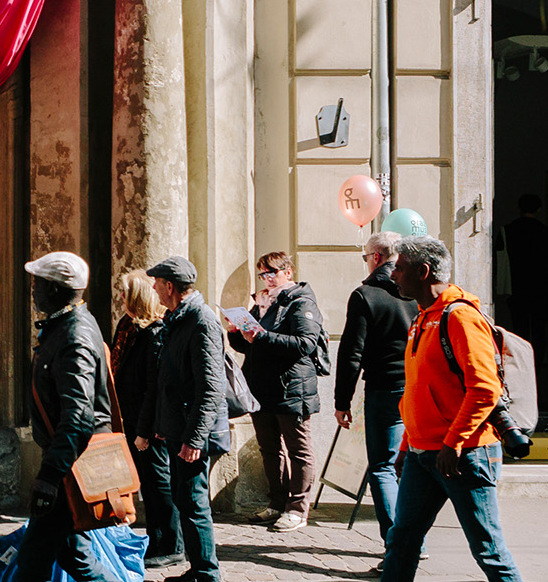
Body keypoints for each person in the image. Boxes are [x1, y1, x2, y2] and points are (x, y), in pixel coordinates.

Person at [381, 235, 523, 582]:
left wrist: (453, 442)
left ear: (423, 271)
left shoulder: (459, 317)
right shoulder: (421, 318)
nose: (393, 275)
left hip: (465, 454)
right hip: (423, 453)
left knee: (488, 550)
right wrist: (406, 446)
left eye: (399, 268)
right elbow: (417, 391)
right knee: (402, 541)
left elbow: (484, 389)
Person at [19, 251, 114, 582]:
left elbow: (77, 416)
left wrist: (49, 476)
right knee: (74, 555)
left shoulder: (74, 336)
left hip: (69, 467)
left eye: (38, 284)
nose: (32, 290)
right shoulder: (63, 326)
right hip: (64, 462)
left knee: (34, 558)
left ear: (56, 289)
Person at [228, 250, 327, 532]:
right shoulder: (261, 302)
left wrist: (263, 335)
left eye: (272, 272)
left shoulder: (300, 300)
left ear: (288, 272)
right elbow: (248, 346)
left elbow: (305, 343)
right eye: (263, 273)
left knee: (298, 448)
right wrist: (237, 333)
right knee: (269, 448)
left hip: (292, 386)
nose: (267, 278)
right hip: (261, 386)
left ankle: (297, 508)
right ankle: (276, 502)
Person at [146, 255, 228, 582]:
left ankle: (208, 575)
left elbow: (210, 386)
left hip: (195, 432)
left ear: (170, 286)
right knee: (185, 500)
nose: (153, 288)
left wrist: (194, 439)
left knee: (194, 504)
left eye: (157, 283)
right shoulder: (178, 317)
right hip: (179, 426)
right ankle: (198, 570)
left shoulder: (201, 321)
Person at [334, 232, 417, 542]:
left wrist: (342, 401)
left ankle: (398, 543)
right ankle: (410, 539)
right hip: (417, 388)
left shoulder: (365, 295)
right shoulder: (416, 291)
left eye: (367, 257)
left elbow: (351, 353)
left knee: (382, 467)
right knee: (411, 467)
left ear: (377, 258)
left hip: (384, 388)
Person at [115, 269, 183, 570]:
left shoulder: (154, 333)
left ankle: (171, 544)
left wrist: (144, 430)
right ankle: (155, 540)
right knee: (148, 485)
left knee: (159, 484)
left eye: (124, 292)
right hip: (130, 418)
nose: (120, 297)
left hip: (150, 425)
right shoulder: (128, 326)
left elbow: (152, 388)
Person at [501, 194, 548, 363]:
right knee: (539, 330)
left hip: (516, 287)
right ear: (539, 209)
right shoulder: (547, 233)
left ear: (519, 208)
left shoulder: (508, 231)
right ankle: (537, 365)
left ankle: (520, 365)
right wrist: (543, 275)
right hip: (539, 288)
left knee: (518, 330)